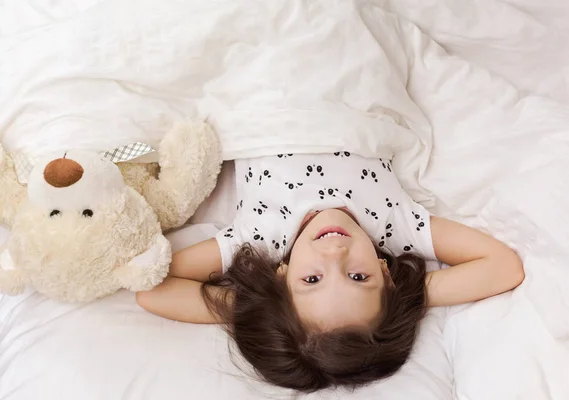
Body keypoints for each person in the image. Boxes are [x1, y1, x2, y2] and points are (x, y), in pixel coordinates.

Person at [136, 153, 524, 392]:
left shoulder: (259, 237)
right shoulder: (396, 226)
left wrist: (264, 307)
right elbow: (502, 266)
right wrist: (404, 297)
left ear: (281, 277)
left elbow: (154, 289)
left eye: (312, 280)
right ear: (386, 275)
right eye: (359, 277)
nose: (335, 252)